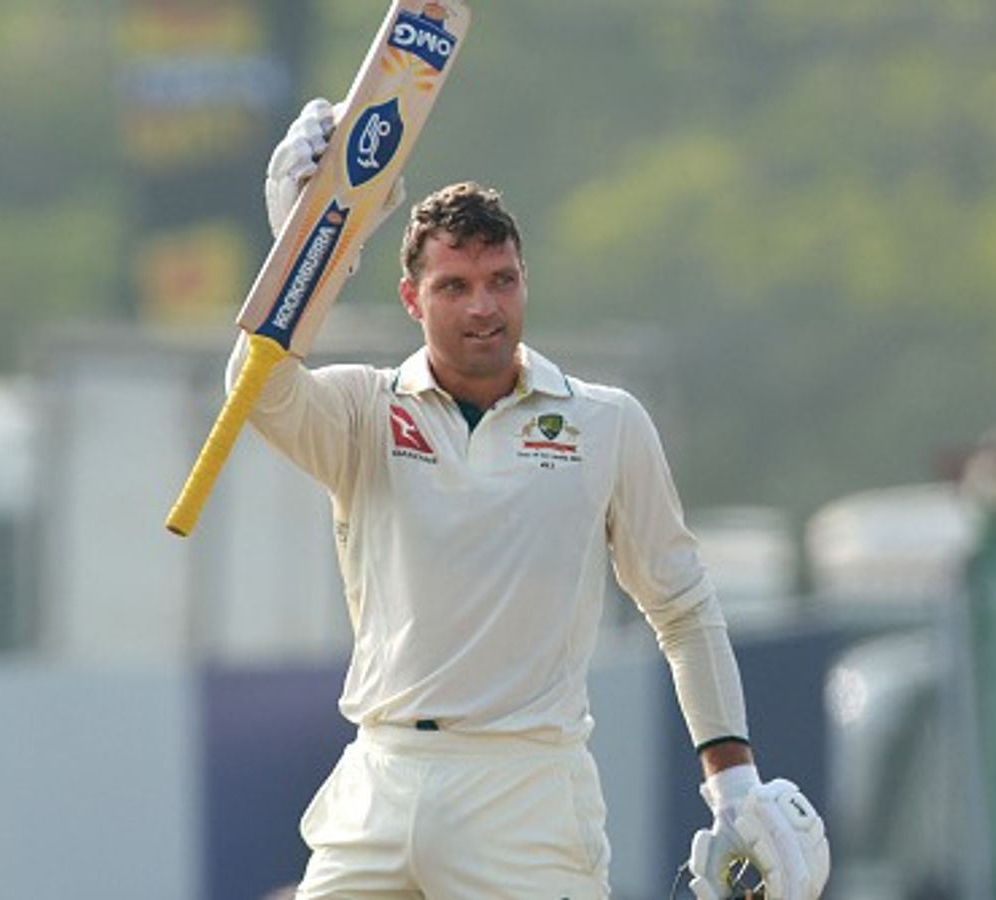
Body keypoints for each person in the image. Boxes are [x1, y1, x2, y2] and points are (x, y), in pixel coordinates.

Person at [234, 98, 830, 899]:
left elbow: (684, 610)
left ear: (524, 281)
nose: (483, 307)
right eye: (455, 286)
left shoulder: (606, 422)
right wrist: (307, 248)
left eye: (501, 281)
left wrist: (734, 785)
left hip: (524, 788)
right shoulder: (365, 411)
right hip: (381, 777)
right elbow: (259, 390)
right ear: (413, 299)